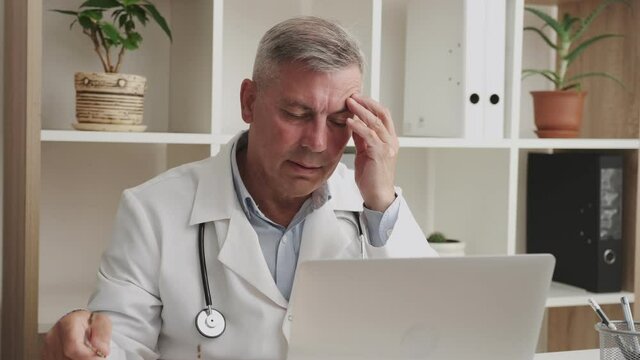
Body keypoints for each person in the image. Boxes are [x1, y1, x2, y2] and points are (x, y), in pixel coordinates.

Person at [42, 16, 437, 360]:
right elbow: (119, 343)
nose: (317, 142)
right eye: (297, 114)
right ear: (249, 101)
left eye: (338, 121)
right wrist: (85, 344)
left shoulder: (372, 210)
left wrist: (382, 201)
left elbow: (433, 330)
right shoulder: (152, 209)